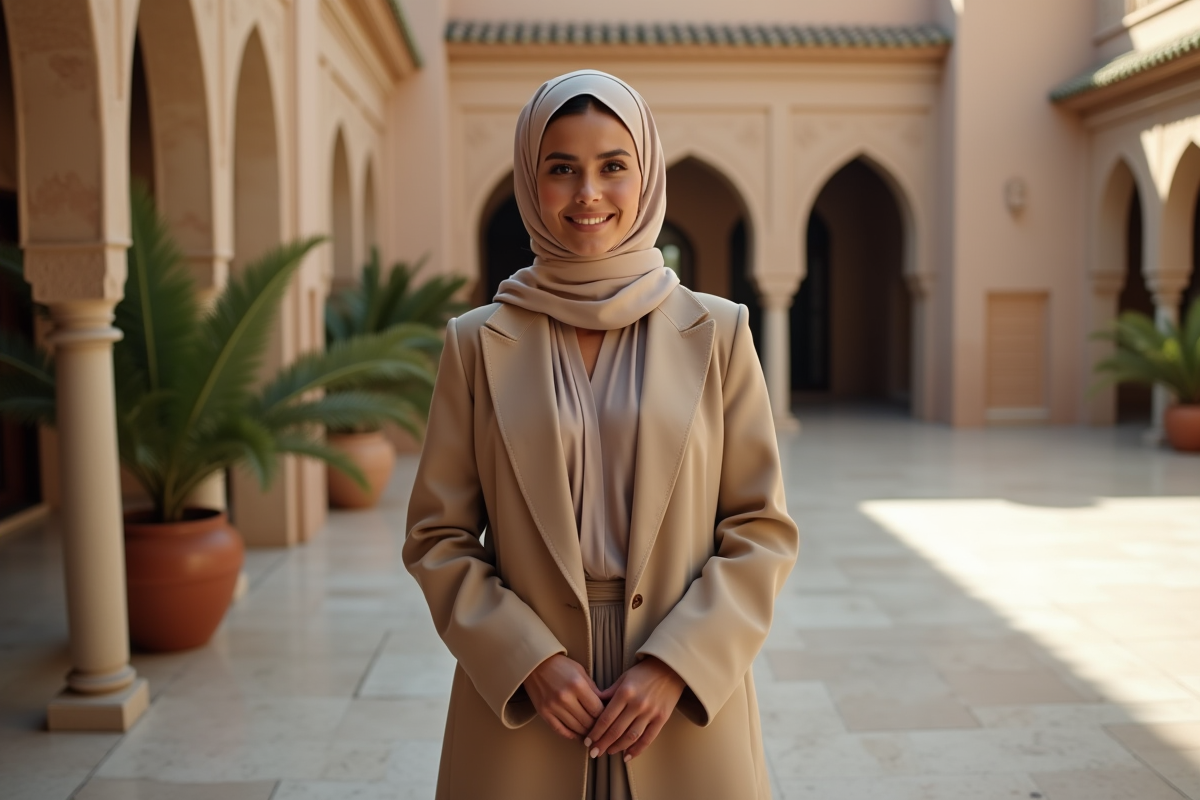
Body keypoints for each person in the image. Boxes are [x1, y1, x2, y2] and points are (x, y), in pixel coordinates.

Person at [403, 69, 799, 800]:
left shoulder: (718, 332)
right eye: (562, 169)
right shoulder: (476, 343)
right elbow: (438, 536)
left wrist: (678, 664)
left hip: (679, 702)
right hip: (528, 711)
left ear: (645, 177)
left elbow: (759, 529)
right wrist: (527, 662)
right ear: (530, 179)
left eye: (613, 166)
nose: (588, 194)